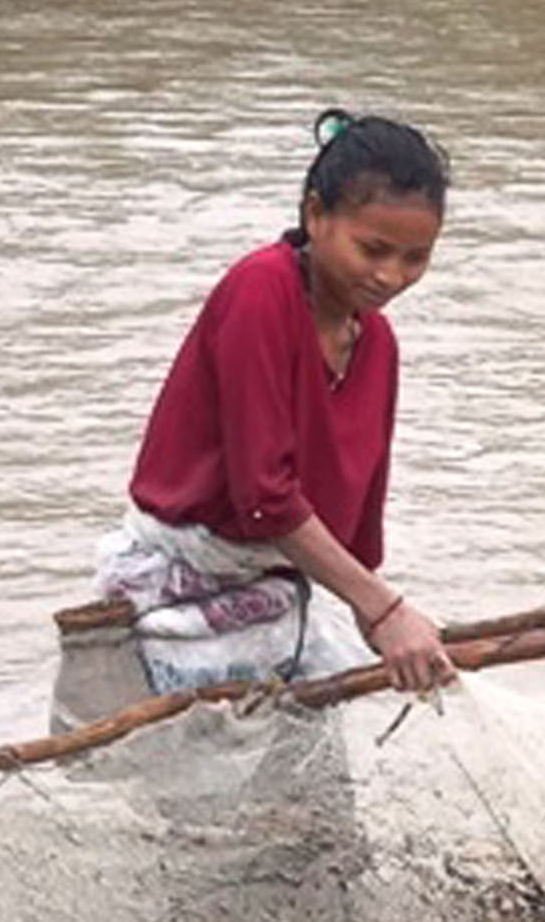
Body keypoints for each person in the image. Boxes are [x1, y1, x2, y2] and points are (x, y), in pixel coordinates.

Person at [89, 108, 455, 701]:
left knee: (317, 789)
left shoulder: (377, 345)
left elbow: (357, 527)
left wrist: (385, 620)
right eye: (374, 249)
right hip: (189, 594)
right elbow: (262, 498)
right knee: (213, 783)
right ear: (315, 214)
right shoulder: (262, 291)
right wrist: (385, 611)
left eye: (415, 259)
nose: (391, 276)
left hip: (281, 589)